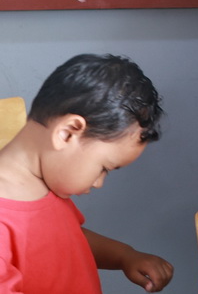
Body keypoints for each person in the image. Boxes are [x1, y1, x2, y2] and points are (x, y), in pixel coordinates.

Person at [0, 54, 173, 293]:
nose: (99, 182)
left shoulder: (45, 180)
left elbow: (66, 239)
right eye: (104, 168)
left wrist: (124, 256)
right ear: (68, 133)